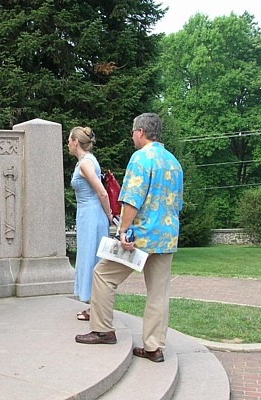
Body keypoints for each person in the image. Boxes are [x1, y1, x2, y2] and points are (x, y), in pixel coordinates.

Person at [75, 113, 183, 364]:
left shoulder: (141, 158)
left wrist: (123, 230)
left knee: (102, 274)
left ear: (141, 132)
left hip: (139, 239)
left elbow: (132, 198)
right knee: (159, 293)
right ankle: (154, 348)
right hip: (166, 238)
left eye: (133, 131)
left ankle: (103, 330)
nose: (132, 136)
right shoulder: (174, 162)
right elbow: (177, 202)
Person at [68, 126, 114, 321]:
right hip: (87, 214)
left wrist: (109, 214)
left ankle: (94, 306)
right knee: (90, 256)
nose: (67, 144)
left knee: (91, 258)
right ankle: (93, 305)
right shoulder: (86, 161)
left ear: (76, 142)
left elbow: (102, 192)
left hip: (93, 214)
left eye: (69, 140)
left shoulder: (86, 163)